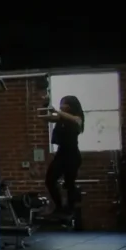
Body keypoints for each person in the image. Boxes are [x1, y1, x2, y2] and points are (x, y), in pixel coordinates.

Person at [44, 95, 84, 223]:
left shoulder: (77, 118)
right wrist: (46, 106)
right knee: (50, 180)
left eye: (63, 104)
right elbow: (48, 118)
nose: (61, 106)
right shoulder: (61, 117)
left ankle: (70, 209)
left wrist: (57, 111)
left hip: (72, 155)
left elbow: (75, 120)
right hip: (61, 153)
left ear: (69, 106)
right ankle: (59, 207)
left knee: (69, 184)